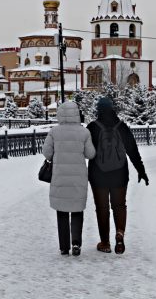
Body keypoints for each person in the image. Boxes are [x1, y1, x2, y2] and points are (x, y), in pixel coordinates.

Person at [87, 97, 149, 254]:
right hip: (120, 174)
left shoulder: (92, 127)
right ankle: (120, 233)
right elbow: (132, 151)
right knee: (119, 205)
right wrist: (141, 171)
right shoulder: (122, 127)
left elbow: (86, 152)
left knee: (102, 208)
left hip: (98, 175)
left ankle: (105, 243)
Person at [43, 101, 96, 256]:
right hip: (78, 178)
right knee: (77, 210)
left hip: (59, 177)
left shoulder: (54, 132)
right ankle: (76, 244)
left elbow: (47, 153)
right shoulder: (84, 132)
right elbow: (90, 154)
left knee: (62, 212)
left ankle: (64, 246)